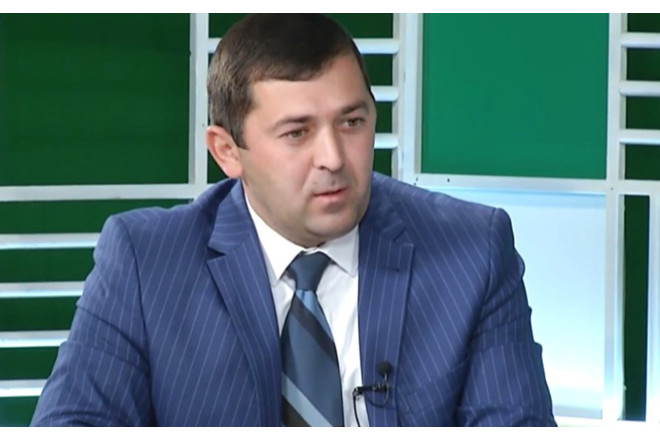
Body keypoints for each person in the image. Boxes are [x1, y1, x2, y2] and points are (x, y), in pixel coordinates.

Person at [31, 14, 555, 427]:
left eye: (352, 122)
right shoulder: (146, 261)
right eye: (297, 133)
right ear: (227, 151)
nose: (333, 157)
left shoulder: (474, 250)